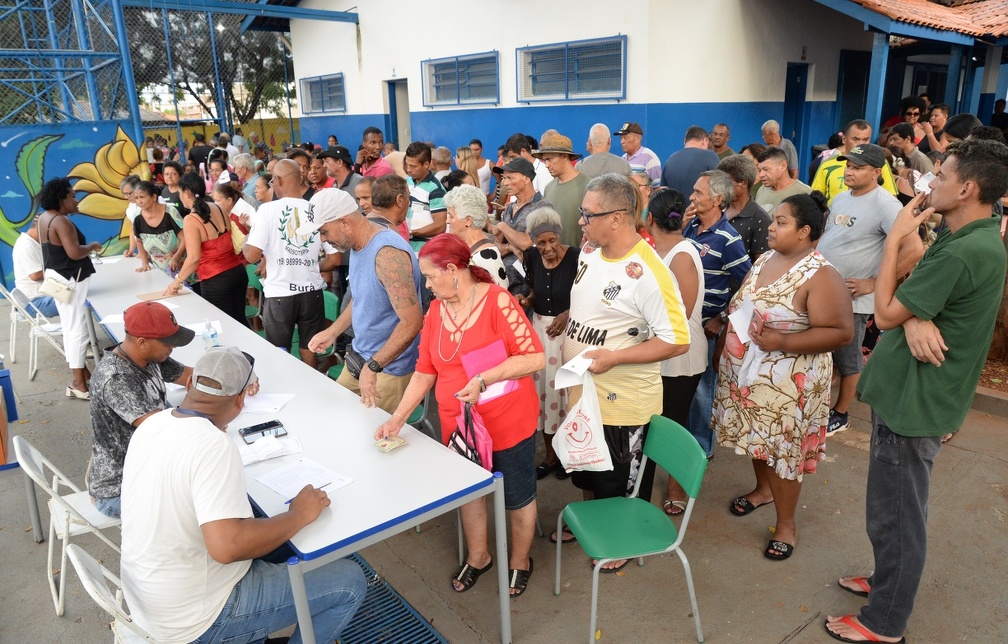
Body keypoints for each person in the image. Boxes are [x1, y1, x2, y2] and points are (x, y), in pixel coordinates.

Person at [826, 139, 1008, 643]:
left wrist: (892, 244)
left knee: (898, 517)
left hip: (916, 402)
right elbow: (914, 302)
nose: (930, 183)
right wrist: (915, 316)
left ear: (967, 188)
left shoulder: (968, 249)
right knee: (893, 509)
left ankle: (885, 622)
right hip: (910, 393)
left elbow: (885, 312)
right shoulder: (964, 234)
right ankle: (888, 582)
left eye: (941, 176)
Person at [120, 347, 366, 642]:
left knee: (278, 530)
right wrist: (297, 515)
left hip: (148, 597)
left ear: (188, 385)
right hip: (197, 618)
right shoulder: (212, 445)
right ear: (240, 400)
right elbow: (227, 547)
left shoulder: (154, 423)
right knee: (350, 581)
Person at [375, 234, 545, 597]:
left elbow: (534, 358)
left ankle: (520, 560)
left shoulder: (498, 302)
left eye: (430, 276)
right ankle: (480, 556)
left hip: (506, 420)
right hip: (459, 427)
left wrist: (485, 378)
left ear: (453, 270)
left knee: (518, 496)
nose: (426, 284)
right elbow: (425, 370)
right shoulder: (437, 310)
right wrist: (398, 418)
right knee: (471, 494)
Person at [557, 174, 691, 563]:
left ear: (617, 218)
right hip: (583, 395)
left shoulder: (650, 272)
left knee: (619, 481)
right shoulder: (590, 252)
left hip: (623, 406)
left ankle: (621, 546)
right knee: (587, 471)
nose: (580, 221)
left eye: (587, 214)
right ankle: (595, 525)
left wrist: (614, 357)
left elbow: (677, 339)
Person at [714, 192, 853, 561]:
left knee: (783, 453)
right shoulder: (765, 259)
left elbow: (841, 332)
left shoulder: (820, 274)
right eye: (773, 220)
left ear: (805, 231)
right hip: (750, 376)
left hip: (790, 385)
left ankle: (787, 524)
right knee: (758, 440)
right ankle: (762, 490)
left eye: (781, 222)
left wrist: (783, 341)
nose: (771, 227)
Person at [815, 144, 923, 436]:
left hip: (853, 300)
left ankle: (840, 414)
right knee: (825, 355)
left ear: (877, 172)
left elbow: (914, 249)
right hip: (825, 295)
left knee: (849, 361)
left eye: (858, 167)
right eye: (848, 165)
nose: (850, 171)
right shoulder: (840, 198)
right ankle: (818, 409)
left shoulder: (886, 205)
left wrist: (874, 283)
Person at [304, 189, 423, 414]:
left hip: (387, 369)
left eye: (324, 231)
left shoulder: (387, 254)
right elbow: (361, 297)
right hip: (361, 358)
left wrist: (375, 365)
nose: (322, 239)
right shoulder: (358, 241)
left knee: (370, 439)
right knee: (334, 418)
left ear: (345, 223)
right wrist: (333, 332)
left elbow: (412, 322)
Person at [88, 302, 196, 517]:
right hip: (121, 490)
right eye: (168, 343)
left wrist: (238, 379)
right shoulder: (117, 378)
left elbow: (191, 378)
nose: (172, 347)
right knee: (204, 509)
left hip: (151, 469)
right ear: (142, 342)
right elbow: (162, 429)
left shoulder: (147, 356)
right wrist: (207, 422)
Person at [645, 188, 707, 516]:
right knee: (657, 421)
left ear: (649, 219)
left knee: (675, 423)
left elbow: (678, 316)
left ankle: (676, 487)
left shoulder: (682, 255)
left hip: (681, 357)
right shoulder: (657, 251)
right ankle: (648, 481)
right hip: (659, 353)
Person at [683, 171, 753, 458]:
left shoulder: (728, 238)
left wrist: (722, 318)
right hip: (684, 323)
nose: (691, 197)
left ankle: (701, 449)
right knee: (685, 386)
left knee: (702, 392)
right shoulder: (690, 227)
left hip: (706, 327)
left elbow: (750, 286)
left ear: (718, 199)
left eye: (698, 193)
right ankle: (684, 441)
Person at [244, 159, 331, 366]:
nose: (272, 186)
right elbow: (335, 258)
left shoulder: (267, 210)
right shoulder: (315, 209)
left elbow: (252, 255)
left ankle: (285, 388)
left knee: (279, 351)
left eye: (272, 181)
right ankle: (311, 386)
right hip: (312, 291)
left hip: (280, 294)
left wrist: (247, 239)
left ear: (279, 180)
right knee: (310, 345)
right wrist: (307, 266)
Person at [517, 207, 579, 479]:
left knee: (567, 395)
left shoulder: (577, 257)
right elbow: (533, 288)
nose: (547, 247)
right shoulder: (531, 256)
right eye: (541, 242)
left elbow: (587, 295)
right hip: (540, 333)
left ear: (559, 235)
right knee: (544, 396)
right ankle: (551, 456)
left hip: (568, 334)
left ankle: (571, 455)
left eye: (552, 240)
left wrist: (568, 313)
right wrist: (529, 300)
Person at [37, 177, 100, 399]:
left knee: (70, 327)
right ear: (61, 199)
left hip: (58, 277)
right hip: (70, 279)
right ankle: (78, 383)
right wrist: (91, 246)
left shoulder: (45, 218)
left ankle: (81, 373)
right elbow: (74, 253)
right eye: (72, 196)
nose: (76, 200)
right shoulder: (61, 221)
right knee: (77, 331)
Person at [163, 172, 248, 325]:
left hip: (216, 279)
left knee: (224, 326)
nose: (180, 196)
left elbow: (194, 258)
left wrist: (177, 282)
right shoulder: (218, 207)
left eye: (180, 192)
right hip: (238, 272)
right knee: (241, 322)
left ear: (187, 193)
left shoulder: (191, 219)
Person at [446, 184, 508, 288]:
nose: (447, 221)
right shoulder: (467, 247)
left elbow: (499, 297)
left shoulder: (487, 258)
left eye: (451, 216)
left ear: (468, 220)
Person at [537, 132, 590, 248]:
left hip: (579, 257)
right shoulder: (549, 188)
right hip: (552, 257)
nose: (546, 165)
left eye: (550, 159)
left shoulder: (588, 186)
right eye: (545, 160)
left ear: (565, 156)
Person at [718, 155, 771, 263]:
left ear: (743, 183)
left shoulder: (760, 219)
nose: (721, 187)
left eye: (726, 182)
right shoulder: (718, 208)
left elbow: (761, 265)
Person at [130, 180, 186, 277]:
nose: (139, 201)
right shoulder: (137, 217)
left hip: (181, 270)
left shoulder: (170, 212)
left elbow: (185, 238)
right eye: (136, 198)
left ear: (154, 197)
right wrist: (145, 263)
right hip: (159, 272)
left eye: (142, 197)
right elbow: (139, 240)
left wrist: (176, 258)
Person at [12, 216, 60, 318]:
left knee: (79, 295)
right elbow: (35, 275)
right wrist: (61, 268)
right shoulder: (27, 246)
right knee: (78, 301)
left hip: (41, 297)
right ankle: (77, 333)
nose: (51, 236)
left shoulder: (32, 242)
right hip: (34, 303)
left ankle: (76, 331)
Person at [403, 142, 448, 241]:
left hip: (423, 252)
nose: (408, 169)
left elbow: (440, 226)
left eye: (413, 166)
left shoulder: (436, 190)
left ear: (426, 164)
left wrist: (411, 233)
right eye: (407, 165)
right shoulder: (407, 181)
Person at [661, 125, 721, 196]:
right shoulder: (710, 156)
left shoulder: (670, 159)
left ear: (685, 141)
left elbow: (663, 189)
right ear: (705, 141)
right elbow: (720, 186)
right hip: (699, 206)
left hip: (674, 206)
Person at [755, 147, 811, 215]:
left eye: (766, 169)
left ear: (783, 166)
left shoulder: (804, 192)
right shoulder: (761, 190)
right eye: (760, 170)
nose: (761, 174)